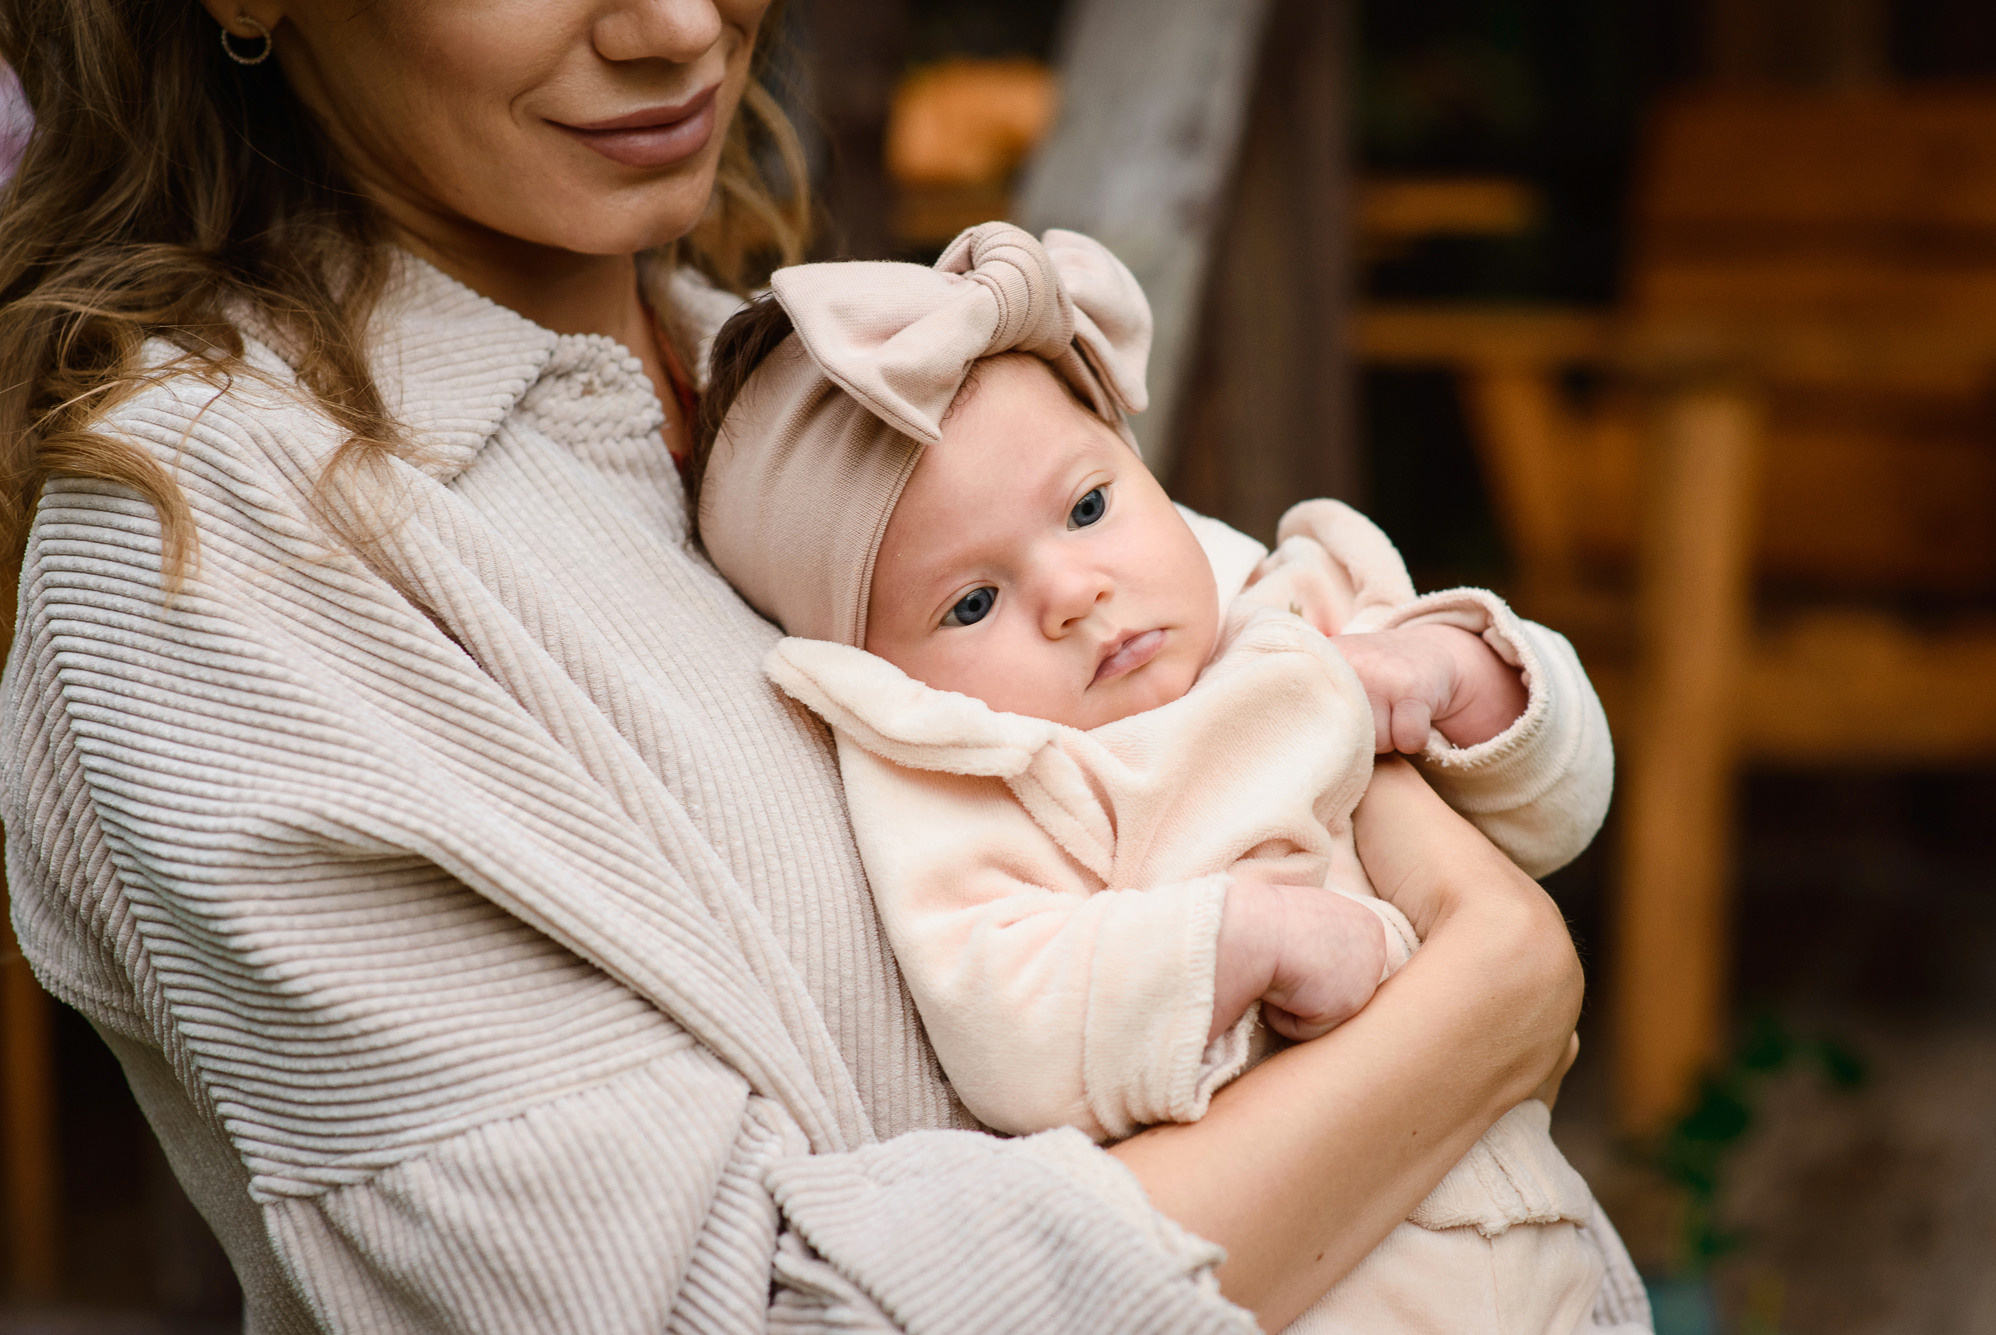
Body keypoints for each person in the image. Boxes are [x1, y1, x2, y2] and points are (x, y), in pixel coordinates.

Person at [0, 3, 1609, 1331]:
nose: (683, 25)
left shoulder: (821, 404)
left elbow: (1269, 692)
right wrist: (1483, 1001)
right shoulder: (216, 543)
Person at [690, 222, 1648, 1334]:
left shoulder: (1294, 610)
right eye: (970, 602)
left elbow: (1563, 808)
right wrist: (1230, 943)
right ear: (880, 680)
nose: (1071, 591)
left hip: (1551, 1271)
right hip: (1320, 1284)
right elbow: (1007, 1017)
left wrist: (1467, 679)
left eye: (1087, 508)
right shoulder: (983, 777)